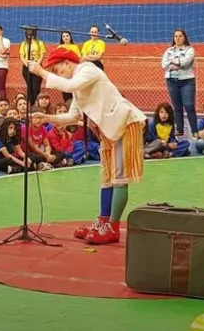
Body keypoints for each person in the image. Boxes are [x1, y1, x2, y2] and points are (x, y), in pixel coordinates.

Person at [28, 48, 147, 245]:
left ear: (67, 63)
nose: (57, 74)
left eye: (58, 70)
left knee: (119, 177)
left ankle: (113, 227)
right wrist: (47, 117)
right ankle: (103, 221)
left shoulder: (87, 69)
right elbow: (74, 116)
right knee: (106, 178)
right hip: (109, 129)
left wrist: (41, 72)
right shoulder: (78, 87)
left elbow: (70, 84)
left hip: (125, 123)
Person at [162, 29, 198, 137]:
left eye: (180, 36)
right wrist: (175, 65)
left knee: (189, 106)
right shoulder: (168, 51)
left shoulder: (189, 50)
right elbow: (164, 64)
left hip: (187, 81)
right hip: (171, 81)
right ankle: (180, 130)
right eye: (176, 36)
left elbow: (186, 62)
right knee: (177, 107)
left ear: (184, 38)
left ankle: (194, 131)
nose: (177, 38)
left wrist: (173, 62)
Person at [19, 27, 47, 103]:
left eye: (31, 32)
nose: (29, 34)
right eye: (28, 32)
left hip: (37, 66)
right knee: (29, 87)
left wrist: (37, 64)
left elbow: (42, 54)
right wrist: (26, 64)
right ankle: (30, 105)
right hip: (26, 67)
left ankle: (36, 104)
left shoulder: (40, 43)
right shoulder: (24, 43)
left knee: (36, 88)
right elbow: (21, 56)